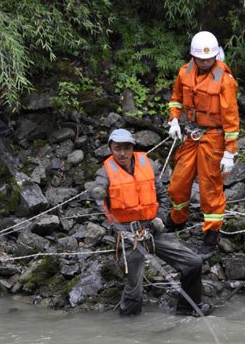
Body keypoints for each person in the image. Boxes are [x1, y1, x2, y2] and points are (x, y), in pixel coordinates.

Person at [89, 129, 213, 317]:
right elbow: (100, 197)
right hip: (128, 237)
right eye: (117, 149)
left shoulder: (148, 164)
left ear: (132, 148)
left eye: (126, 148)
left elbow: (163, 195)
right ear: (111, 149)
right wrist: (117, 226)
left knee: (193, 262)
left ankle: (188, 308)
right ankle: (130, 327)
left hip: (152, 230)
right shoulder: (104, 172)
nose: (122, 153)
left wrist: (160, 218)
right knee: (134, 288)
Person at [166, 31, 239, 259]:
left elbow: (231, 119)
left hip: (214, 137)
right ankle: (178, 219)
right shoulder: (184, 73)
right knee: (178, 182)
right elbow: (176, 98)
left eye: (210, 59)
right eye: (201, 59)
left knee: (210, 188)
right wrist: (174, 119)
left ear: (216, 56)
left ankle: (211, 236)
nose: (206, 62)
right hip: (192, 133)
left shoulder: (225, 81)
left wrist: (229, 153)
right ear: (194, 57)